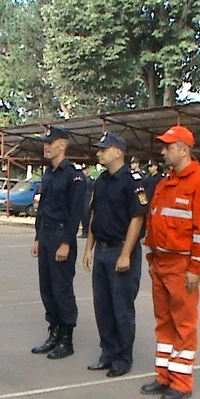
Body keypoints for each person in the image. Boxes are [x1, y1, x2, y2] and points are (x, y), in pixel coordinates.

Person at [140, 125, 200, 399]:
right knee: (164, 322)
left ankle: (182, 382)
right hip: (160, 262)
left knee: (184, 324)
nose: (163, 152)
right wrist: (150, 257)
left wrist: (196, 269)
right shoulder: (164, 184)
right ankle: (164, 375)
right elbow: (153, 221)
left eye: (168, 147)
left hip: (182, 264)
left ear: (183, 149)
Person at [82, 132, 146, 378]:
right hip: (102, 250)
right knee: (103, 306)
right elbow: (95, 217)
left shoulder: (132, 180)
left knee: (121, 308)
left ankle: (122, 357)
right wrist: (89, 248)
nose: (98, 153)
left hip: (121, 249)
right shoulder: (101, 182)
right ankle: (107, 353)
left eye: (103, 149)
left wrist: (126, 254)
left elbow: (137, 218)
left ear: (117, 151)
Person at [31, 126, 86, 359]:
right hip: (46, 234)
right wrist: (37, 237)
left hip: (61, 235)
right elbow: (42, 208)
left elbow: (76, 213)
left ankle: (66, 339)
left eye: (50, 143)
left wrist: (66, 242)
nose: (46, 146)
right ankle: (53, 333)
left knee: (62, 288)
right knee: (47, 288)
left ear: (62, 145)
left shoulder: (74, 175)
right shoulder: (48, 173)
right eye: (45, 142)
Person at [79, 164, 94, 238]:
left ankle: (88, 232)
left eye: (84, 169)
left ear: (87, 170)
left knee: (87, 216)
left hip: (88, 199)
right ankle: (84, 231)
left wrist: (92, 200)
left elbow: (93, 191)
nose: (83, 171)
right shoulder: (81, 179)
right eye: (82, 170)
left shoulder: (90, 179)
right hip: (82, 200)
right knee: (82, 216)